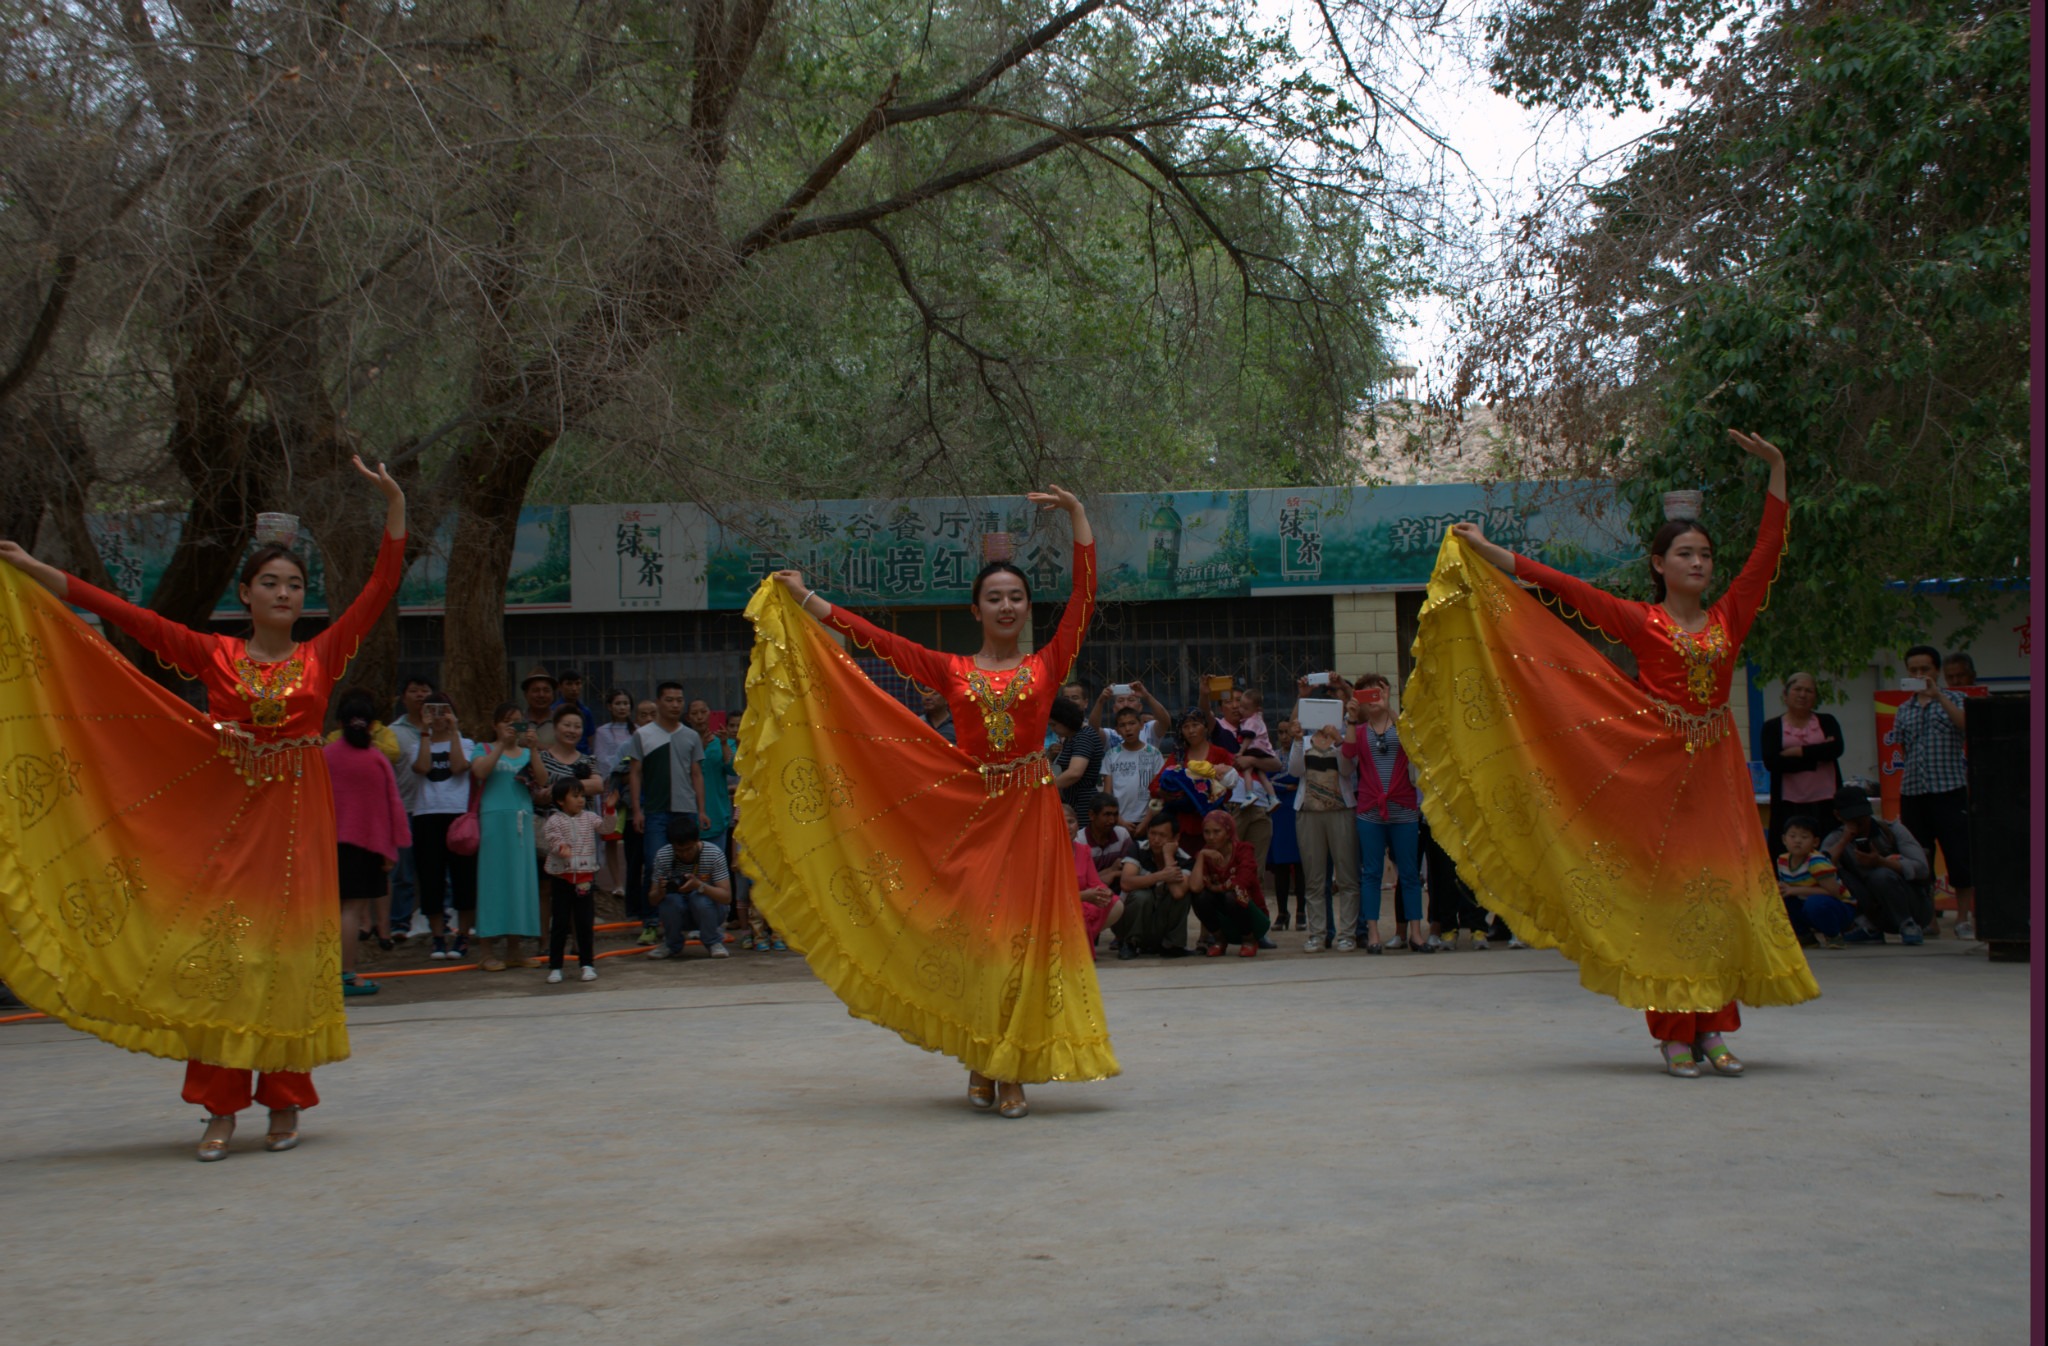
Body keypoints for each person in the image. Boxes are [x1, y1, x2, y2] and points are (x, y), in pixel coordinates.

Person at [0, 455, 406, 1160]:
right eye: (270, 583)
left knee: (283, 959)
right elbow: (123, 615)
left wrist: (395, 505)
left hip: (298, 822)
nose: (284, 592)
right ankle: (219, 1107)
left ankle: (284, 1102)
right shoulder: (213, 655)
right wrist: (37, 570)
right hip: (228, 816)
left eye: (295, 584)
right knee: (225, 959)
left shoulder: (322, 655)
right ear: (245, 594)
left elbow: (380, 585)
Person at [1411, 429, 1817, 1080]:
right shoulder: (1640, 620)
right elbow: (1563, 588)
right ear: (1659, 564)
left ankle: (1716, 1027)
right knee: (1665, 898)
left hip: (1716, 769)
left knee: (1718, 895)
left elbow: (1767, 552)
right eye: (1685, 553)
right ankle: (1674, 1033)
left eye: (1706, 555)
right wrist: (1489, 553)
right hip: (1654, 765)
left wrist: (1778, 469)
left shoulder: (1729, 617)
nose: (1699, 563)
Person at [751, 485, 1116, 1119]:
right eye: (994, 598)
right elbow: (874, 640)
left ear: (1028, 608)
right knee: (977, 943)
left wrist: (1079, 519)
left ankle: (1007, 1071)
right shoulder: (949, 669)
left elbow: (1083, 597)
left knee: (1023, 944)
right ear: (975, 609)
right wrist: (808, 599)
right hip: (971, 814)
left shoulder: (1049, 663)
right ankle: (981, 1058)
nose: (1006, 606)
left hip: (1032, 817)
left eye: (1016, 597)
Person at [324, 688, 411, 997]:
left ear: (339, 723)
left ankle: (322, 973)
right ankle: (346, 975)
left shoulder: (324, 756)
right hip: (367, 845)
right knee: (351, 911)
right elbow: (393, 806)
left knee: (329, 911)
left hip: (327, 843)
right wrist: (395, 847)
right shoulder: (375, 759)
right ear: (373, 724)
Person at [1895, 645, 1975, 939]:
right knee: (1920, 859)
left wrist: (1938, 695)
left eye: (1925, 669)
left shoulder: (1956, 698)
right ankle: (1928, 918)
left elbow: (1967, 727)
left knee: (1959, 856)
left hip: (1949, 790)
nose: (1919, 675)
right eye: (1913, 670)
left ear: (1936, 671)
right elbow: (1905, 749)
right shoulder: (1904, 709)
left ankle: (1963, 918)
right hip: (1915, 792)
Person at [1344, 673, 1425, 954]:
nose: (1373, 699)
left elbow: (1414, 741)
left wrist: (1391, 704)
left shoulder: (1400, 726)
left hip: (1403, 807)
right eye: (1367, 695)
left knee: (1410, 873)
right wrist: (1351, 720)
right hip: (1370, 810)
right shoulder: (1361, 728)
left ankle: (1416, 933)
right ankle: (1374, 934)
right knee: (1372, 873)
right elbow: (1348, 754)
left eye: (1377, 693)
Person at [625, 682, 710, 932]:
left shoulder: (691, 736)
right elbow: (635, 773)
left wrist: (702, 810)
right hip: (655, 811)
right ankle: (651, 921)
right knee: (654, 864)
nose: (675, 705)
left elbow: (697, 774)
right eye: (669, 700)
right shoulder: (643, 735)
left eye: (679, 700)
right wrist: (637, 811)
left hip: (686, 811)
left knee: (688, 866)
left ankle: (688, 920)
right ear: (658, 702)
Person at [471, 702, 544, 972]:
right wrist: (501, 744)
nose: (512, 726)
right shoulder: (484, 749)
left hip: (522, 822)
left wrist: (534, 748)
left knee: (519, 883)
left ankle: (515, 948)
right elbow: (479, 772)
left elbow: (542, 779)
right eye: (506, 721)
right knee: (492, 883)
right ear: (495, 725)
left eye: (517, 721)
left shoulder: (526, 753)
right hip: (493, 821)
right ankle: (487, 950)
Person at [408, 691, 479, 959]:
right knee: (431, 878)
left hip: (458, 816)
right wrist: (426, 732)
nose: (437, 716)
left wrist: (454, 729)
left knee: (464, 877)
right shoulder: (417, 746)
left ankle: (462, 935)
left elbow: (460, 766)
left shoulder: (467, 743)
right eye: (431, 710)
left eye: (443, 710)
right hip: (427, 815)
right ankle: (438, 937)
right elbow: (423, 767)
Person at [1287, 711, 1361, 953]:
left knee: (1348, 876)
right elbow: (1295, 771)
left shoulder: (1343, 740)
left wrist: (1338, 742)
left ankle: (1347, 934)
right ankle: (1317, 934)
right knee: (1315, 878)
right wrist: (1298, 740)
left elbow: (1348, 769)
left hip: (1341, 812)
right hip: (1308, 813)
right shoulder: (1304, 742)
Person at [1824, 789, 1933, 944]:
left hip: (1913, 906)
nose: (1859, 824)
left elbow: (1922, 869)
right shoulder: (1836, 838)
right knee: (1837, 874)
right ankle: (1868, 927)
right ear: (1839, 816)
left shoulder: (1893, 830)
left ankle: (1907, 924)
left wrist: (1881, 862)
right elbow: (1820, 868)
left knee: (1880, 875)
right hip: (1874, 908)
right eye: (1852, 819)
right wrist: (1843, 842)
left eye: (1863, 818)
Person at [1761, 673, 1845, 859]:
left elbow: (1836, 749)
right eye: (1797, 689)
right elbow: (1773, 762)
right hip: (1789, 803)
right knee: (1790, 851)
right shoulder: (1772, 727)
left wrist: (1797, 751)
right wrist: (1818, 756)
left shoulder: (1827, 721)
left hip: (1826, 800)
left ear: (1815, 697)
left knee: (1826, 851)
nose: (1803, 695)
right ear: (1786, 694)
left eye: (1809, 691)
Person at [386, 675, 437, 942]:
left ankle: (440, 920)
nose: (419, 695)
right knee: (403, 871)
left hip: (436, 809)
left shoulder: (443, 729)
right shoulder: (393, 732)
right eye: (414, 690)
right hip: (404, 808)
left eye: (425, 690)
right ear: (403, 697)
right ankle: (399, 923)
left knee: (437, 868)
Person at [542, 779, 605, 982]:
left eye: (582, 796)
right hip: (562, 877)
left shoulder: (589, 817)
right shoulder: (554, 820)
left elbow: (606, 828)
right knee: (559, 922)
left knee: (584, 922)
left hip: (584, 877)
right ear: (561, 800)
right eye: (575, 796)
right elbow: (552, 839)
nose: (580, 800)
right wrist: (562, 848)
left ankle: (587, 964)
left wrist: (610, 810)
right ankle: (555, 967)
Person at [647, 815, 733, 960]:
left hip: (711, 911)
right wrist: (661, 891)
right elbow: (653, 900)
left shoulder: (713, 854)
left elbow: (726, 898)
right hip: (679, 911)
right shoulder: (663, 856)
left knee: (699, 898)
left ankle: (713, 942)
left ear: (697, 840)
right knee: (670, 900)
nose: (685, 854)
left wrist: (699, 886)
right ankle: (671, 944)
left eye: (689, 849)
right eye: (679, 851)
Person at [1111, 812, 1196, 958]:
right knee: (1142, 895)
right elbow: (1126, 883)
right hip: (1129, 922)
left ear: (1175, 838)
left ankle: (1172, 945)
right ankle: (1131, 943)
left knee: (1184, 894)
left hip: (1158, 922)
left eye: (1162, 836)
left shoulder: (1185, 859)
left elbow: (1178, 893)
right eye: (1152, 834)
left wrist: (1168, 856)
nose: (1156, 840)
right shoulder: (1137, 848)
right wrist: (1161, 875)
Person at [1190, 809, 1272, 957]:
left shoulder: (1243, 850)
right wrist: (1201, 856)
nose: (1211, 837)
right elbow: (1195, 887)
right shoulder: (1206, 854)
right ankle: (1219, 940)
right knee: (1199, 897)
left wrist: (1217, 888)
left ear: (1228, 833)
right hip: (1225, 913)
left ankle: (1249, 940)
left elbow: (1241, 881)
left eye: (1217, 832)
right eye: (1207, 832)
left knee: (1232, 896)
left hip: (1251, 914)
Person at [1776, 816, 1848, 949]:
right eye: (1793, 836)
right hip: (1807, 905)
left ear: (1815, 842)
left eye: (1804, 837)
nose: (1798, 841)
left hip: (1838, 908)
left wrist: (1794, 890)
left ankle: (1833, 935)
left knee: (1815, 902)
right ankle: (1805, 936)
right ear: (1784, 840)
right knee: (1780, 898)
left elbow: (1833, 892)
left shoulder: (1817, 861)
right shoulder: (1782, 861)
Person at [591, 689, 636, 897]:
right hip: (612, 788)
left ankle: (633, 882)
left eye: (625, 703)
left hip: (634, 787)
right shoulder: (602, 731)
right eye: (617, 703)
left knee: (633, 835)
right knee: (611, 836)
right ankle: (617, 883)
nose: (622, 707)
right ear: (609, 707)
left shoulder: (636, 730)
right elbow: (602, 759)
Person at [1066, 802, 1125, 956]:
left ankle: (1082, 941)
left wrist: (1104, 892)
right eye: (1062, 821)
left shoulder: (1083, 850)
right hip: (1058, 907)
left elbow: (1094, 882)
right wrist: (1083, 896)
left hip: (1082, 904)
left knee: (1115, 903)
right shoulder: (1046, 853)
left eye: (1071, 822)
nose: (1068, 827)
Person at [687, 699, 739, 852]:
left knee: (715, 865)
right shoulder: (684, 741)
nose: (699, 717)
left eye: (703, 712)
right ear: (688, 718)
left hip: (716, 813)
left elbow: (733, 768)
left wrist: (723, 744)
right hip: (689, 813)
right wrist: (701, 746)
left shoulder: (725, 742)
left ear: (710, 714)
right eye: (694, 713)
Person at [1102, 705, 1166, 829]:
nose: (1128, 729)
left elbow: (1158, 792)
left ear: (1141, 725)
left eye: (1132, 723)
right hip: (1118, 821)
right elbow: (1108, 794)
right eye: (1122, 725)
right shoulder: (1111, 755)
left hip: (1148, 820)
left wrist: (1146, 822)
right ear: (1117, 730)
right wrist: (1119, 820)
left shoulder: (1154, 754)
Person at [1266, 717, 1303, 930]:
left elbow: (1300, 779)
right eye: (1280, 732)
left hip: (1297, 809)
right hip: (1278, 812)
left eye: (1287, 732)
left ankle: (1301, 911)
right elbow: (1267, 780)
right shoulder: (1273, 757)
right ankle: (1281, 912)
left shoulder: (1301, 754)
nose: (1284, 737)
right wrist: (1284, 787)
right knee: (1280, 866)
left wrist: (1282, 784)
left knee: (1300, 866)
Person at [1049, 695, 1106, 817]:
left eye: (1054, 724)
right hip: (1074, 801)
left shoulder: (1084, 736)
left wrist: (1046, 787)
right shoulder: (1072, 737)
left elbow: (1075, 773)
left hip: (1083, 803)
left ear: (1065, 720)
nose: (1052, 729)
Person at [1088, 678, 1171, 749]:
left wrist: (1146, 696)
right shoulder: (1110, 735)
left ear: (1140, 707)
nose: (1126, 704)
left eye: (1131, 700)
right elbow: (1092, 730)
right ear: (1114, 708)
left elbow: (1165, 721)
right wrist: (1100, 701)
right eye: (1121, 701)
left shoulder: (1149, 730)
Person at [552, 670, 596, 754]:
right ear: (560, 687)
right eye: (569, 684)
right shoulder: (554, 711)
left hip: (583, 756)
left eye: (577, 684)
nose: (574, 688)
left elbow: (590, 738)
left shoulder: (586, 711)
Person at [519, 667, 557, 735]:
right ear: (526, 694)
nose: (541, 695)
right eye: (536, 691)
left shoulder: (559, 721)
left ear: (553, 694)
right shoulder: (519, 721)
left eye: (546, 691)